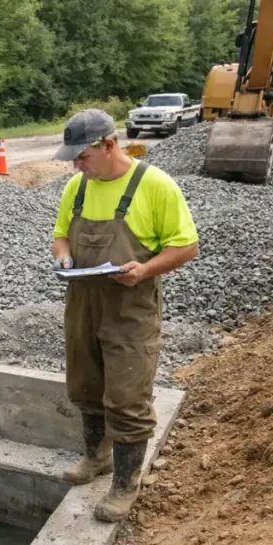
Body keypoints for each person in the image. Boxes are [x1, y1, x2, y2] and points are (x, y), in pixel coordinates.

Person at [51, 109, 199, 522]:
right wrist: (62, 258)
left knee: (128, 397)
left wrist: (146, 269)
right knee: (86, 386)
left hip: (130, 309)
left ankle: (125, 483)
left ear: (109, 145)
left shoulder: (155, 186)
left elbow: (186, 246)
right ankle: (96, 458)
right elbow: (61, 235)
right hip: (82, 305)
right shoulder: (77, 188)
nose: (76, 165)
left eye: (82, 157)